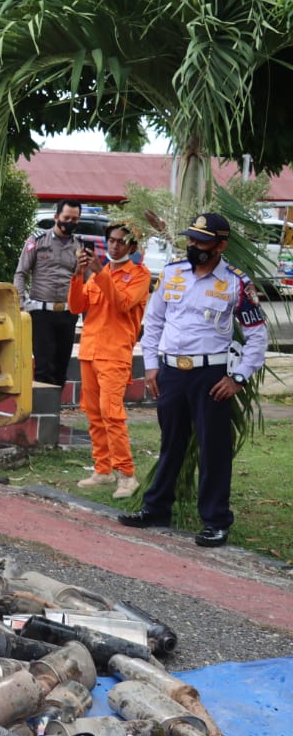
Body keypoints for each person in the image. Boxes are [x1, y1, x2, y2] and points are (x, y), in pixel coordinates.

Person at [118, 213, 268, 547]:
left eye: (201, 241)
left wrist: (239, 378)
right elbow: (154, 321)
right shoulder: (172, 273)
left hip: (211, 377)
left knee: (213, 450)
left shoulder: (236, 282)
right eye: (191, 239)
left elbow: (258, 337)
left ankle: (215, 521)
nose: (193, 245)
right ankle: (157, 508)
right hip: (171, 373)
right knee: (170, 443)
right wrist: (152, 366)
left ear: (221, 245)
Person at [68, 223, 151, 499]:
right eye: (111, 241)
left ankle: (126, 475)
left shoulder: (139, 275)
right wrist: (78, 274)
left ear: (132, 247)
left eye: (120, 242)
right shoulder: (98, 274)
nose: (115, 246)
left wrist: (98, 272)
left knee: (111, 413)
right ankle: (102, 469)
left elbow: (123, 305)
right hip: (90, 351)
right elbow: (77, 307)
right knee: (93, 412)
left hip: (115, 353)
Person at [15, 199, 83, 385]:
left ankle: (53, 413)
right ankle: (42, 411)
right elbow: (21, 273)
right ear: (56, 217)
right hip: (41, 313)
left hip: (68, 314)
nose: (70, 222)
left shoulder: (80, 246)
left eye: (75, 219)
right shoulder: (37, 240)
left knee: (61, 369)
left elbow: (86, 280)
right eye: (66, 217)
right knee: (44, 369)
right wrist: (22, 303)